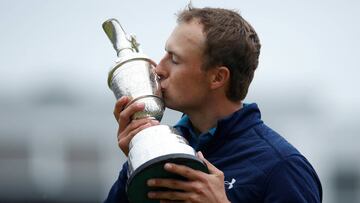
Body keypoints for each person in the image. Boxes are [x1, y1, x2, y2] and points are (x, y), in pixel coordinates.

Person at [104, 6, 322, 203]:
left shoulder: (283, 167)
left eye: (175, 59)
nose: (158, 69)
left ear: (217, 77)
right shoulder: (164, 147)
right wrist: (138, 156)